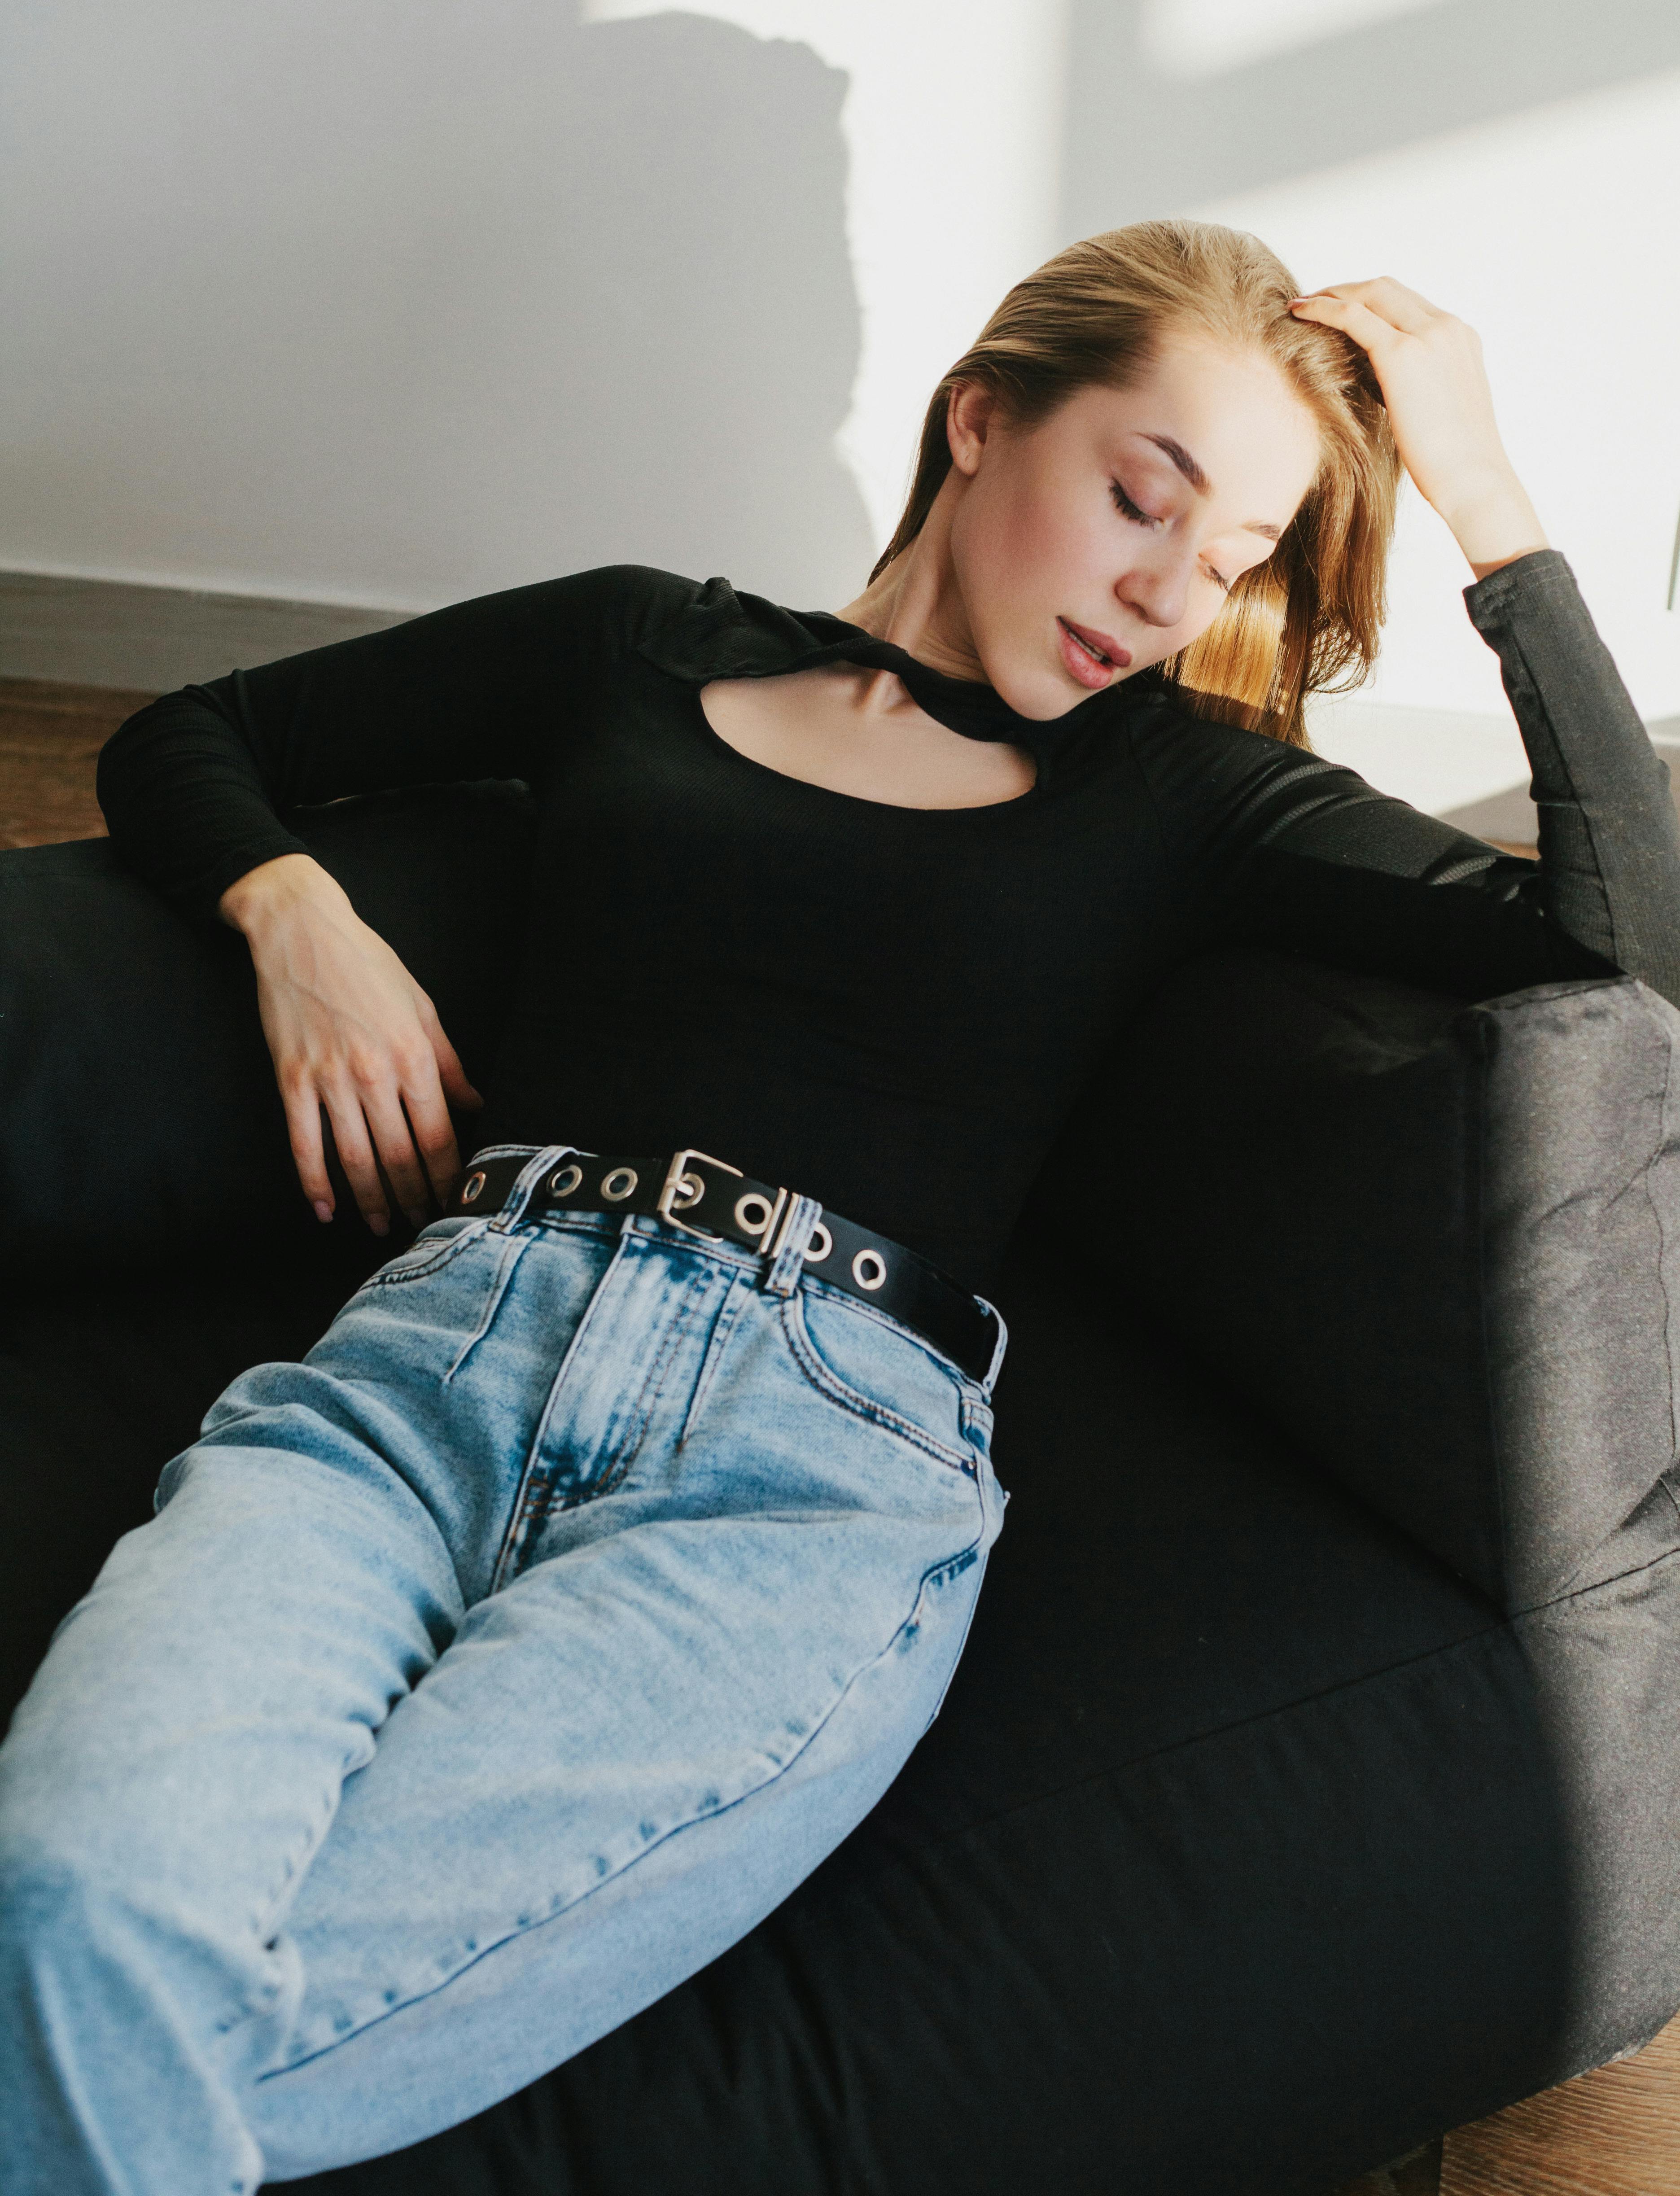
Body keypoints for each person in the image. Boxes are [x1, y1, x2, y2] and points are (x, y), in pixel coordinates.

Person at [2, 223, 1676, 2195]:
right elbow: (198, 733)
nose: (1165, 591)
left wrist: (1486, 501)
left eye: (1226, 558)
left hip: (804, 1471)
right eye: (1143, 495)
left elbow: (1623, 944)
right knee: (70, 1903)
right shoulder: (637, 646)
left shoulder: (1192, 798)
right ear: (983, 417)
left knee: (166, 2016)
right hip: (417, 1366)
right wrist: (300, 917)